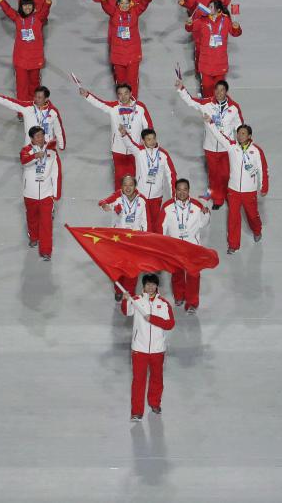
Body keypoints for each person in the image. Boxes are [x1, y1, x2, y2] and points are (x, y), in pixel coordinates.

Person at [175, 78, 243, 208]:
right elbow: (190, 101)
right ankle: (217, 199)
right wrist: (181, 88)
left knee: (226, 174)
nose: (219, 92)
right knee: (214, 175)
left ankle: (228, 195)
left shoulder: (234, 108)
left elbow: (240, 127)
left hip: (226, 148)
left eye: (222, 90)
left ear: (226, 92)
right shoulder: (206, 103)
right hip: (210, 147)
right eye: (217, 90)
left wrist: (241, 144)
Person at [205, 120, 269, 253]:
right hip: (233, 191)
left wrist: (264, 187)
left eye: (243, 133)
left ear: (249, 136)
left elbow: (263, 169)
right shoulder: (232, 146)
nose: (240, 136)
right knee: (233, 218)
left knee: (252, 215)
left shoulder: (256, 151)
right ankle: (233, 245)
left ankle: (257, 230)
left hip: (249, 192)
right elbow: (218, 135)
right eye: (238, 133)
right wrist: (210, 122)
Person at [121, 273, 175, 421]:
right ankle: (136, 412)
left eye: (153, 284)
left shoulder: (164, 303)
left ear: (157, 286)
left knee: (157, 378)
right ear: (143, 286)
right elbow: (126, 311)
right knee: (138, 381)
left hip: (158, 349)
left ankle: (155, 403)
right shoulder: (136, 301)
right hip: (139, 349)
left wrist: (153, 319)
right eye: (148, 284)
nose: (151, 287)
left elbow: (170, 324)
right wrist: (125, 300)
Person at [78, 82, 153, 187]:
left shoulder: (140, 107)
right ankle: (119, 197)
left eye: (126, 93)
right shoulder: (113, 107)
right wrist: (87, 95)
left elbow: (148, 126)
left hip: (136, 149)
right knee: (120, 177)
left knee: (137, 177)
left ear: (131, 93)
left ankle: (136, 197)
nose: (123, 96)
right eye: (120, 94)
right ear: (117, 95)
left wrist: (148, 146)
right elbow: (100, 103)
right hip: (118, 149)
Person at [87, 0, 154, 96]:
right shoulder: (114, 13)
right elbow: (106, 6)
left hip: (133, 54)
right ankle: (121, 103)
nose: (124, 5)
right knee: (121, 82)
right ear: (118, 4)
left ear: (130, 4)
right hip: (118, 55)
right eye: (122, 3)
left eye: (127, 3)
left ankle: (133, 103)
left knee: (132, 82)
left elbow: (143, 5)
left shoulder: (135, 12)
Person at [160, 179, 210, 312]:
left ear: (189, 191)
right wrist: (162, 246)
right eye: (179, 190)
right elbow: (161, 228)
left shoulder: (197, 205)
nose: (182, 192)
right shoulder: (167, 206)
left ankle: (192, 303)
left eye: (185, 189)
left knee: (193, 275)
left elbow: (203, 224)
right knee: (177, 273)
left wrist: (206, 213)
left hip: (193, 247)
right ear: (175, 191)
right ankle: (179, 296)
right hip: (175, 247)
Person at [0, 0, 52, 102]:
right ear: (21, 7)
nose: (27, 7)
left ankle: (34, 105)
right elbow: (8, 10)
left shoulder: (38, 18)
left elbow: (45, 10)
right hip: (21, 59)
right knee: (21, 85)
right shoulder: (17, 18)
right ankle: (22, 108)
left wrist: (48, 0)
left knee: (34, 84)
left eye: (30, 5)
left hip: (35, 58)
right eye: (25, 5)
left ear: (33, 6)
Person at [99, 173, 149, 298]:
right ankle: (118, 290)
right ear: (121, 186)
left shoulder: (142, 200)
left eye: (130, 185)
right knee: (119, 267)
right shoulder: (117, 198)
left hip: (135, 240)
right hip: (118, 240)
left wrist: (143, 238)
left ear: (135, 186)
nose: (128, 188)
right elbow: (103, 202)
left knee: (133, 269)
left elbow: (145, 221)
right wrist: (105, 206)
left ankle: (130, 293)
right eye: (125, 185)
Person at [119, 126, 177, 232]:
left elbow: (171, 174)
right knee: (142, 221)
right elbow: (130, 144)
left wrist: (174, 195)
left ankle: (153, 240)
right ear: (143, 140)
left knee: (155, 222)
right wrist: (124, 134)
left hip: (156, 195)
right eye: (149, 139)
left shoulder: (163, 154)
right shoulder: (139, 151)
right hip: (141, 195)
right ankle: (141, 239)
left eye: (154, 138)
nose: (152, 141)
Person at [20, 125, 61, 260]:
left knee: (46, 223)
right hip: (30, 192)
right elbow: (24, 162)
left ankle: (46, 250)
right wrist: (35, 156)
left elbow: (56, 173)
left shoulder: (52, 152)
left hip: (46, 194)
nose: (41, 138)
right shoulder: (26, 150)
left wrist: (56, 194)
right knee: (32, 218)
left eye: (42, 135)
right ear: (31, 139)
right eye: (37, 136)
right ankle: (33, 237)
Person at [186, 0, 242, 95]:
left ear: (218, 10)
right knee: (207, 92)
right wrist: (189, 23)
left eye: (211, 7)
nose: (208, 8)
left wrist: (236, 28)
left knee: (219, 93)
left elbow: (235, 33)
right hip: (205, 64)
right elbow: (190, 28)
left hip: (220, 63)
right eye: (208, 6)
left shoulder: (226, 20)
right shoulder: (202, 20)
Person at [0, 84, 66, 149]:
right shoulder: (27, 107)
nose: (36, 99)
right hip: (30, 149)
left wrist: (61, 145)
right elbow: (9, 102)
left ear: (46, 99)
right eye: (35, 96)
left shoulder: (53, 111)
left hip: (47, 149)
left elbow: (58, 129)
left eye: (39, 97)